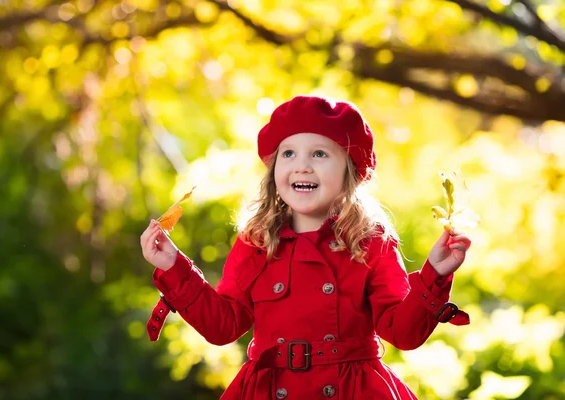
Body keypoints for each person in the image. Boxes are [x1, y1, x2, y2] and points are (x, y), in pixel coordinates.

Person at [141, 95, 472, 399]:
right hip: (270, 390)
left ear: (350, 171)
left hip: (351, 390)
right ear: (274, 172)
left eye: (319, 153)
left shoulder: (370, 243)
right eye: (288, 153)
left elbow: (403, 333)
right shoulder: (256, 242)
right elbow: (222, 325)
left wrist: (436, 274)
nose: (301, 165)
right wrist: (174, 266)